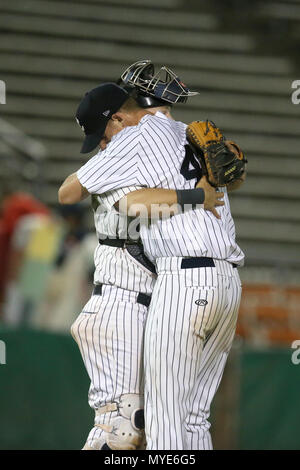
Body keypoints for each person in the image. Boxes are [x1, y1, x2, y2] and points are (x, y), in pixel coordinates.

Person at [59, 61, 223, 450]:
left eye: (103, 135)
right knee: (123, 427)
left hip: (138, 307)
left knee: (137, 427)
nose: (103, 143)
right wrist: (197, 195)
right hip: (117, 306)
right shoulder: (118, 164)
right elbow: (81, 195)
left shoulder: (138, 157)